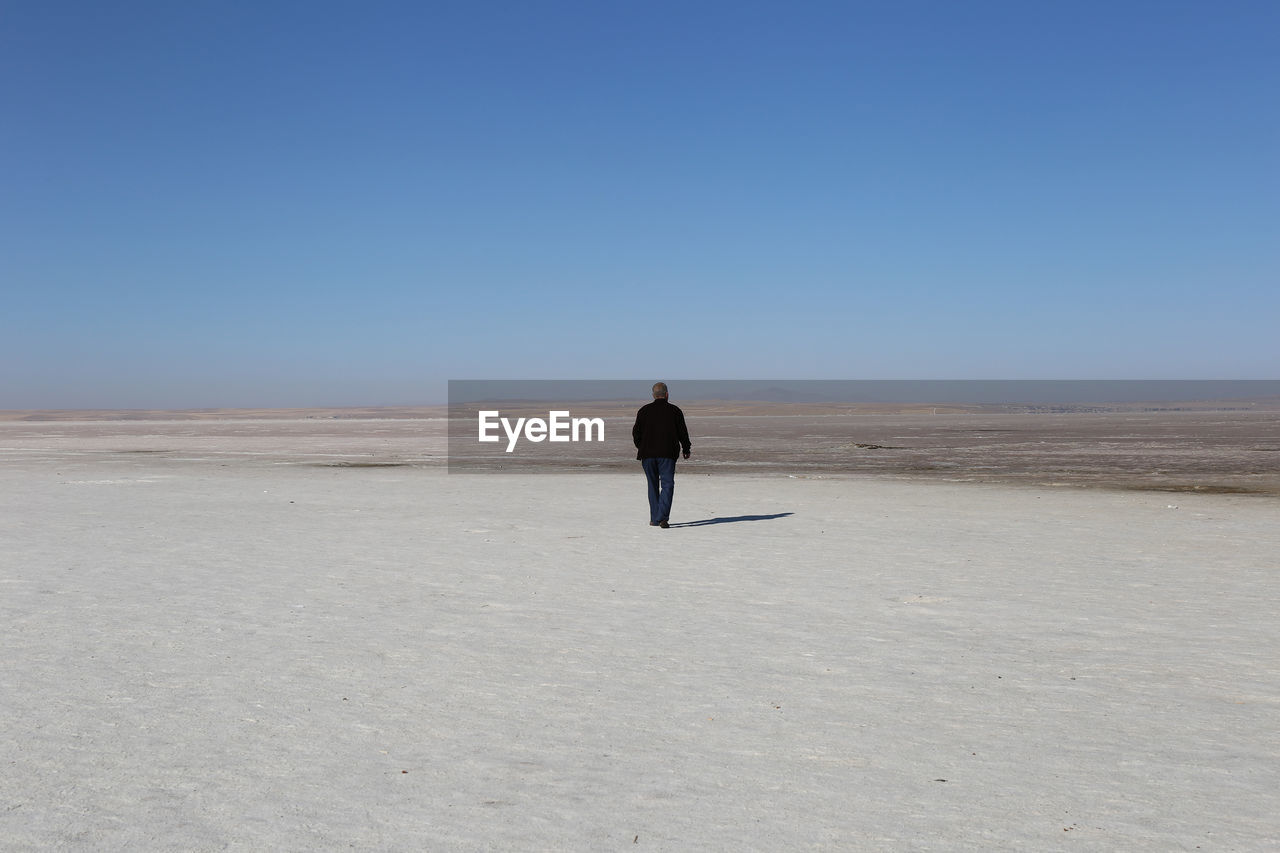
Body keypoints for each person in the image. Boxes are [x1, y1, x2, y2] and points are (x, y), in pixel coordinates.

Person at [632, 382, 691, 528]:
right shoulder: (675, 411)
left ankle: (655, 518)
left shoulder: (644, 411)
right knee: (668, 484)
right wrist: (686, 448)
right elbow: (682, 432)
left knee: (652, 485)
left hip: (648, 455)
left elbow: (636, 433)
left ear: (653, 395)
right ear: (667, 394)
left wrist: (643, 447)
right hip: (667, 454)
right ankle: (662, 517)